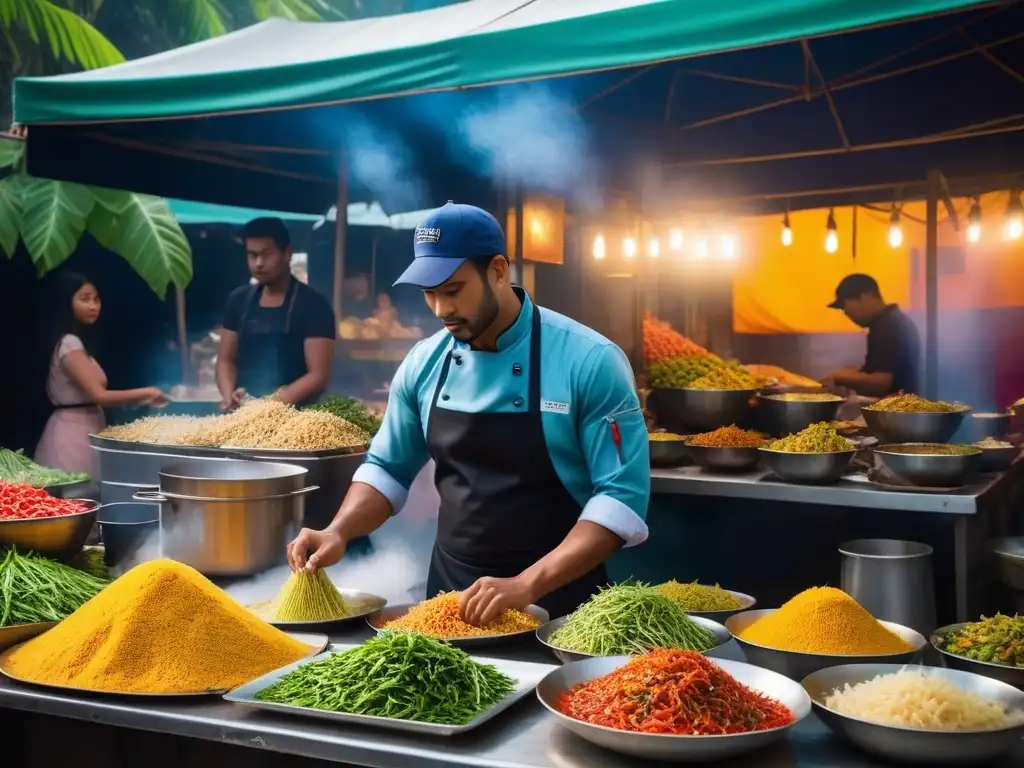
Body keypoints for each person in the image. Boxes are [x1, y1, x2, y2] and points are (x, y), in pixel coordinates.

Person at [287, 202, 650, 624]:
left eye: (453, 289)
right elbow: (388, 468)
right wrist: (339, 530)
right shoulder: (424, 362)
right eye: (429, 294)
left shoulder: (589, 360)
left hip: (562, 602)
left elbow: (620, 498)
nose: (441, 310)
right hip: (449, 597)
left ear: (497, 270)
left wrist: (528, 583)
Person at [35, 273, 168, 476]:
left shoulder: (78, 344)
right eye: (84, 299)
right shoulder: (70, 343)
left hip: (87, 426)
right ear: (66, 303)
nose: (93, 306)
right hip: (72, 434)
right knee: (78, 497)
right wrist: (147, 393)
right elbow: (99, 395)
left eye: (96, 299)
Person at [217, 218, 336, 409]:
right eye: (252, 255)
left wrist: (267, 407)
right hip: (243, 415)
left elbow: (318, 375)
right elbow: (225, 360)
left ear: (287, 254)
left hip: (298, 419)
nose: (259, 263)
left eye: (266, 254)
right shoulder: (237, 300)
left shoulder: (314, 305)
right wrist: (228, 395)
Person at [822, 273, 920, 396]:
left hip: (898, 411)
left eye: (844, 305)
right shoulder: (886, 322)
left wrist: (840, 377)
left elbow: (881, 382)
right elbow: (879, 370)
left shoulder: (889, 325)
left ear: (867, 296)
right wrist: (852, 374)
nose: (845, 312)